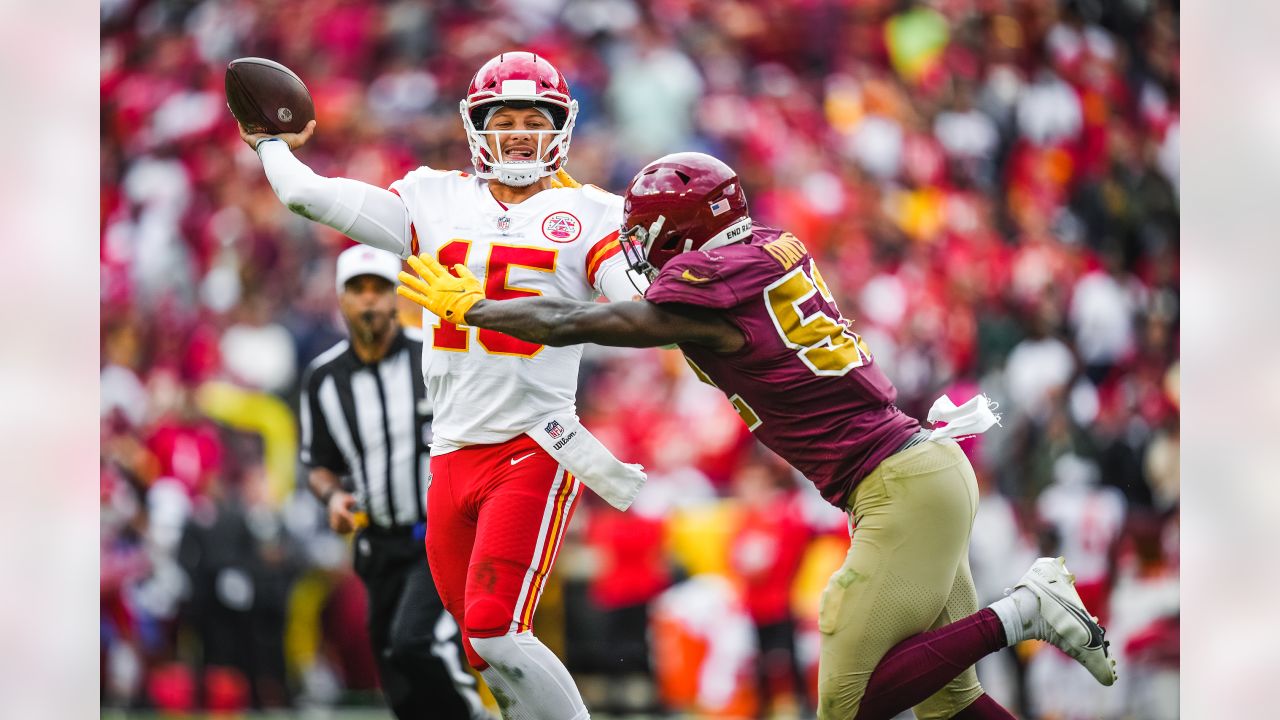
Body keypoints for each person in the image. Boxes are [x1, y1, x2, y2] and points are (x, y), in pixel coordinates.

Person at [397, 152, 1119, 720]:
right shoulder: (769, 246)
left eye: (645, 234)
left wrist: (483, 309)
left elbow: (585, 323)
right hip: (917, 470)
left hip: (899, 486)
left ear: (682, 232)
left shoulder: (711, 283)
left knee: (849, 702)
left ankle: (1027, 607)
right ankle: (1022, 612)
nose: (639, 250)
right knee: (951, 703)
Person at [240, 51, 644, 720]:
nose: (518, 132)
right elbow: (306, 195)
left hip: (533, 445)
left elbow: (632, 313)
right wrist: (272, 144)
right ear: (477, 125)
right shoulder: (434, 197)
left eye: (534, 119)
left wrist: (501, 310)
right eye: (504, 118)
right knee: (480, 647)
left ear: (561, 128)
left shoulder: (594, 214)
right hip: (451, 452)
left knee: (495, 629)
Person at [298, 245, 488, 719]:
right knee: (399, 680)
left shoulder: (434, 359)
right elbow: (318, 463)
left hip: (437, 538)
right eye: (357, 290)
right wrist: (334, 496)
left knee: (417, 643)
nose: (369, 301)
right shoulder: (323, 379)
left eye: (379, 289)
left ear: (396, 296)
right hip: (376, 544)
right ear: (341, 299)